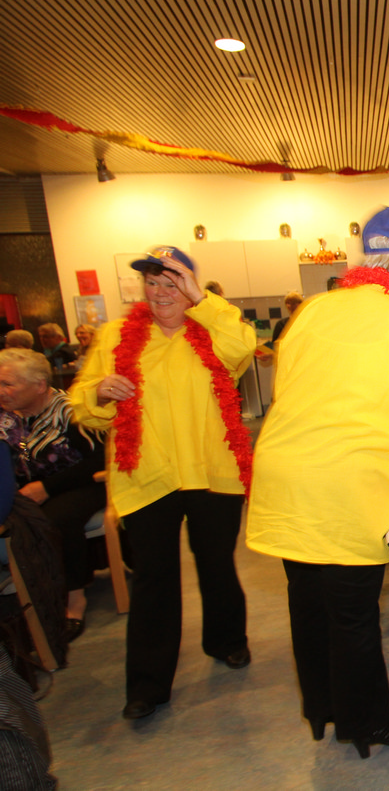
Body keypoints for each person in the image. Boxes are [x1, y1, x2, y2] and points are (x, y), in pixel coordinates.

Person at [246, 207, 389, 759]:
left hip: (284, 472)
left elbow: (287, 387)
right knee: (351, 612)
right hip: (348, 482)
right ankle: (367, 723)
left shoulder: (313, 309)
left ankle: (323, 710)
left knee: (308, 603)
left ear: (361, 260)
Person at [70, 245, 256, 721]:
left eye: (172, 282)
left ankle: (227, 640)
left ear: (190, 287)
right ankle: (147, 686)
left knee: (217, 564)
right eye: (152, 282)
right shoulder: (116, 336)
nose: (159, 292)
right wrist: (98, 393)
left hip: (211, 471)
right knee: (154, 579)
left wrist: (203, 300)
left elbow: (243, 346)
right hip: (147, 475)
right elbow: (82, 403)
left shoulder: (212, 331)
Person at [0, 349, 106, 642]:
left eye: (7, 384)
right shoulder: (7, 417)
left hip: (83, 484)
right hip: (27, 491)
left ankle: (74, 599)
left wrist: (47, 488)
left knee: (54, 520)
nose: (1, 391)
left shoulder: (72, 411)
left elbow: (99, 461)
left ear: (39, 385)